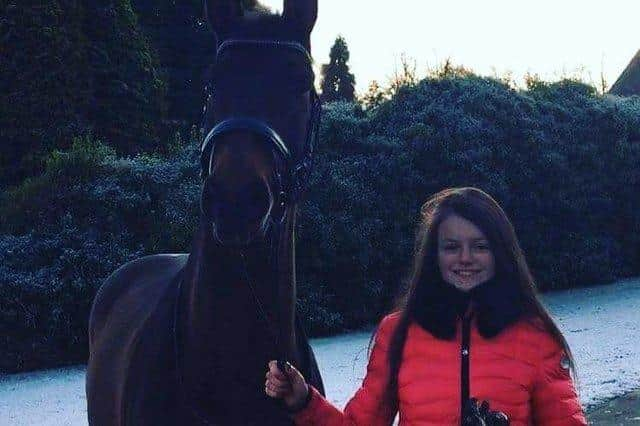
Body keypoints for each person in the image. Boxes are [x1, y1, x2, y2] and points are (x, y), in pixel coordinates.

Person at [265, 187, 587, 425]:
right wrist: (304, 401)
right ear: (434, 255)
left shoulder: (534, 335)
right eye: (451, 247)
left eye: (479, 246)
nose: (464, 258)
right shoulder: (398, 333)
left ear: (501, 253)